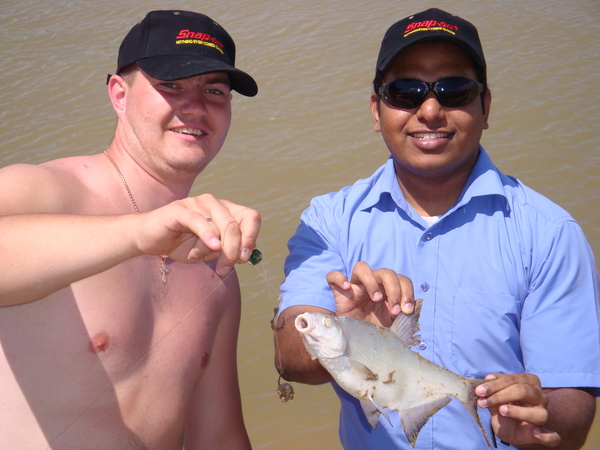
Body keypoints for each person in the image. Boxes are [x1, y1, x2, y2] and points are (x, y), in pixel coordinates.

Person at [274, 8, 599, 450]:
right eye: (404, 92)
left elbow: (573, 405)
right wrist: (348, 328)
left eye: (454, 90)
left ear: (485, 107)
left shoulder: (551, 234)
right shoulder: (328, 220)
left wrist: (542, 422)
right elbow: (289, 356)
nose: (429, 110)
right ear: (376, 110)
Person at [0, 10, 260, 449]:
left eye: (214, 90)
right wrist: (139, 233)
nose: (195, 106)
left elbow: (218, 437)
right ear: (119, 95)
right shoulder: (44, 191)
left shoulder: (215, 267)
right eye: (171, 85)